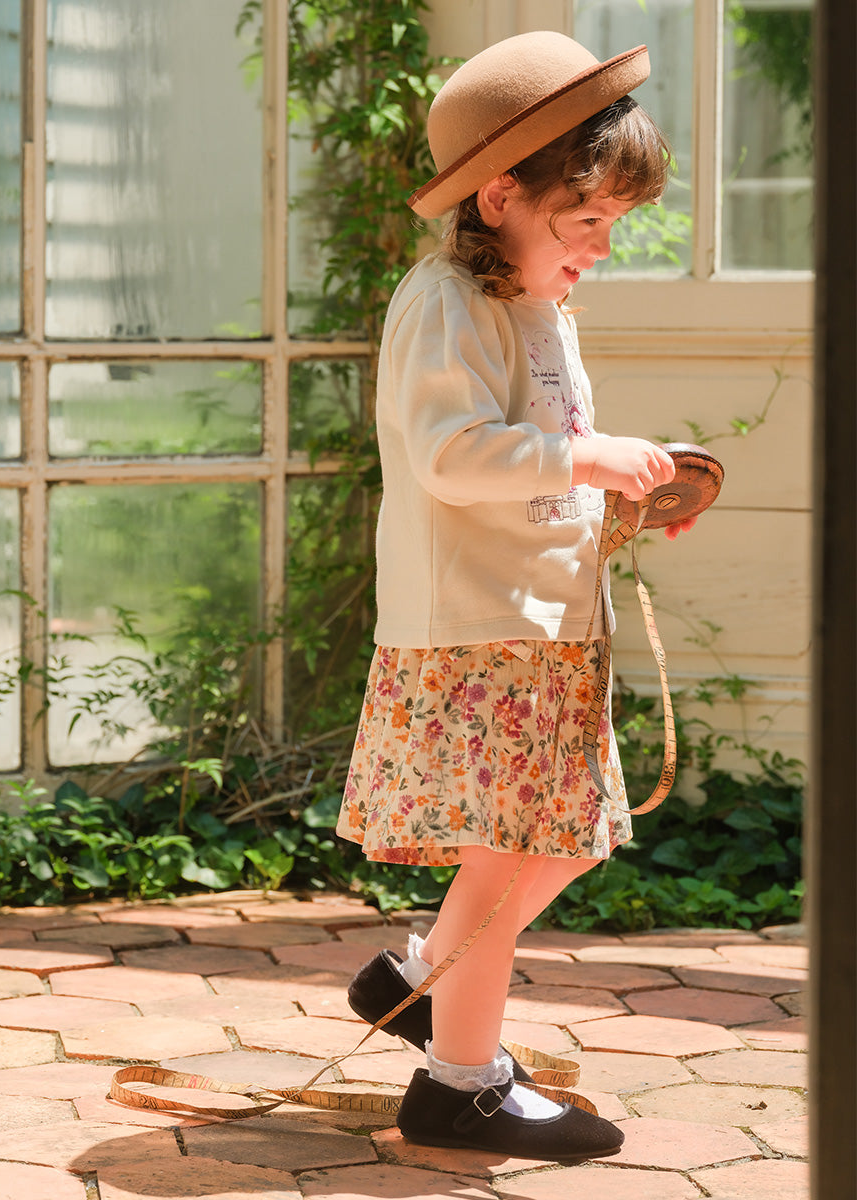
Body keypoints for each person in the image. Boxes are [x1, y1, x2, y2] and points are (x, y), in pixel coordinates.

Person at [336, 31, 695, 1162]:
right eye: (583, 221)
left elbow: (541, 464)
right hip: (482, 629)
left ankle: (416, 977)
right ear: (501, 197)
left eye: (611, 228)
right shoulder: (445, 301)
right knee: (504, 860)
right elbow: (451, 455)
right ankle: (458, 1085)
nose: (597, 248)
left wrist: (623, 498)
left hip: (540, 628)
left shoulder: (535, 304)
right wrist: (589, 463)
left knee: (567, 839)